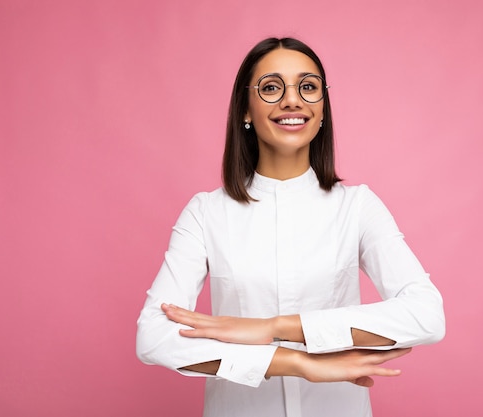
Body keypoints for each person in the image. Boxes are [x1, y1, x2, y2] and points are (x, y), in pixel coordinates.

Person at [136, 37, 445, 417]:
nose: (292, 100)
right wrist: (295, 362)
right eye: (270, 87)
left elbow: (426, 315)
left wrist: (274, 327)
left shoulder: (357, 206)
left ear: (322, 110)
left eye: (308, 87)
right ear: (245, 110)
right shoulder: (206, 213)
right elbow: (153, 337)